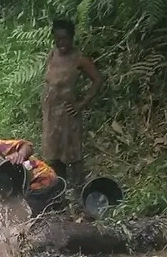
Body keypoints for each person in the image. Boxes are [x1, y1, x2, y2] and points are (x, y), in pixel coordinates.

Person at [43, 18, 103, 186]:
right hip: (50, 115)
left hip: (67, 114)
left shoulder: (79, 59)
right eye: (58, 39)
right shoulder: (52, 54)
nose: (62, 42)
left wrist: (81, 104)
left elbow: (97, 80)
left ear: (72, 37)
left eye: (65, 38)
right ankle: (58, 188)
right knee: (54, 154)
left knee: (72, 154)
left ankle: (78, 190)